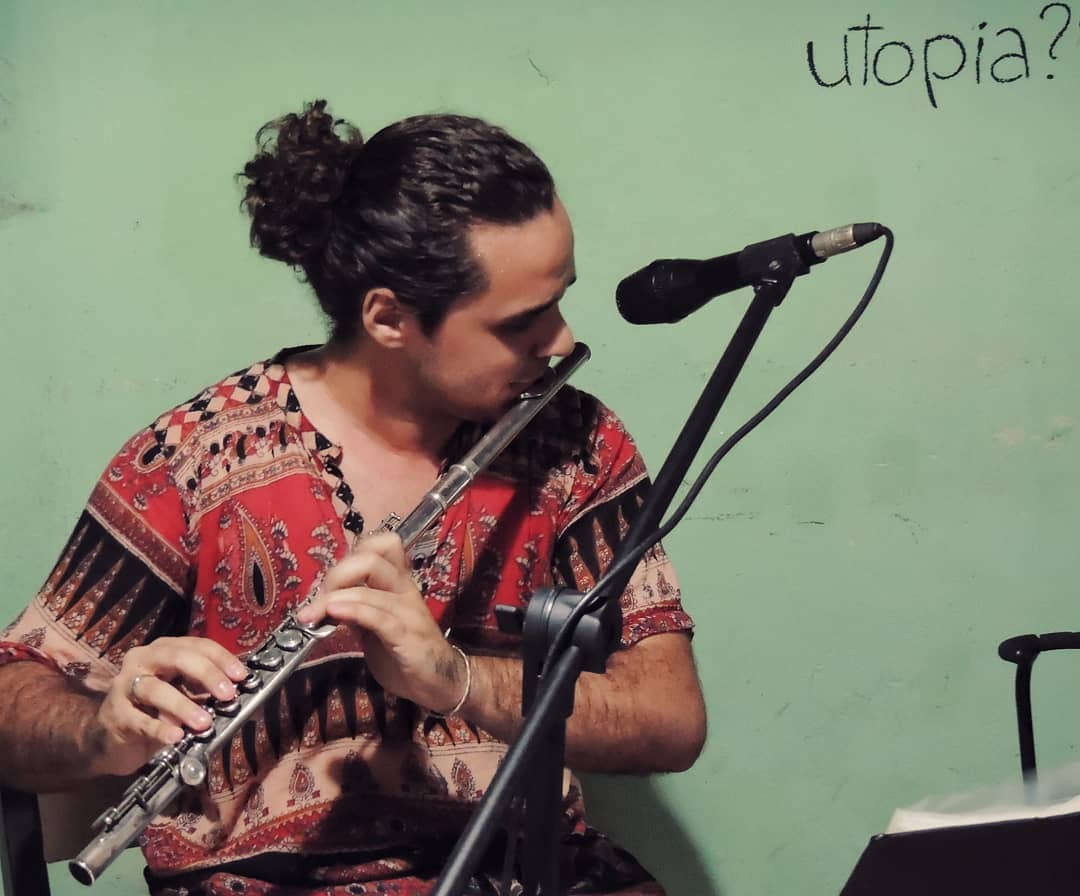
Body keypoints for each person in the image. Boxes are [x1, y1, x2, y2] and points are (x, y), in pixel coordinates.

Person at [0, 100, 706, 895]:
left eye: (560, 299)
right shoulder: (194, 457)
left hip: (521, 874)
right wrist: (97, 732)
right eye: (522, 323)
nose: (563, 340)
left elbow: (670, 719)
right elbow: (11, 694)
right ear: (389, 318)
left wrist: (457, 679)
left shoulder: (576, 444)